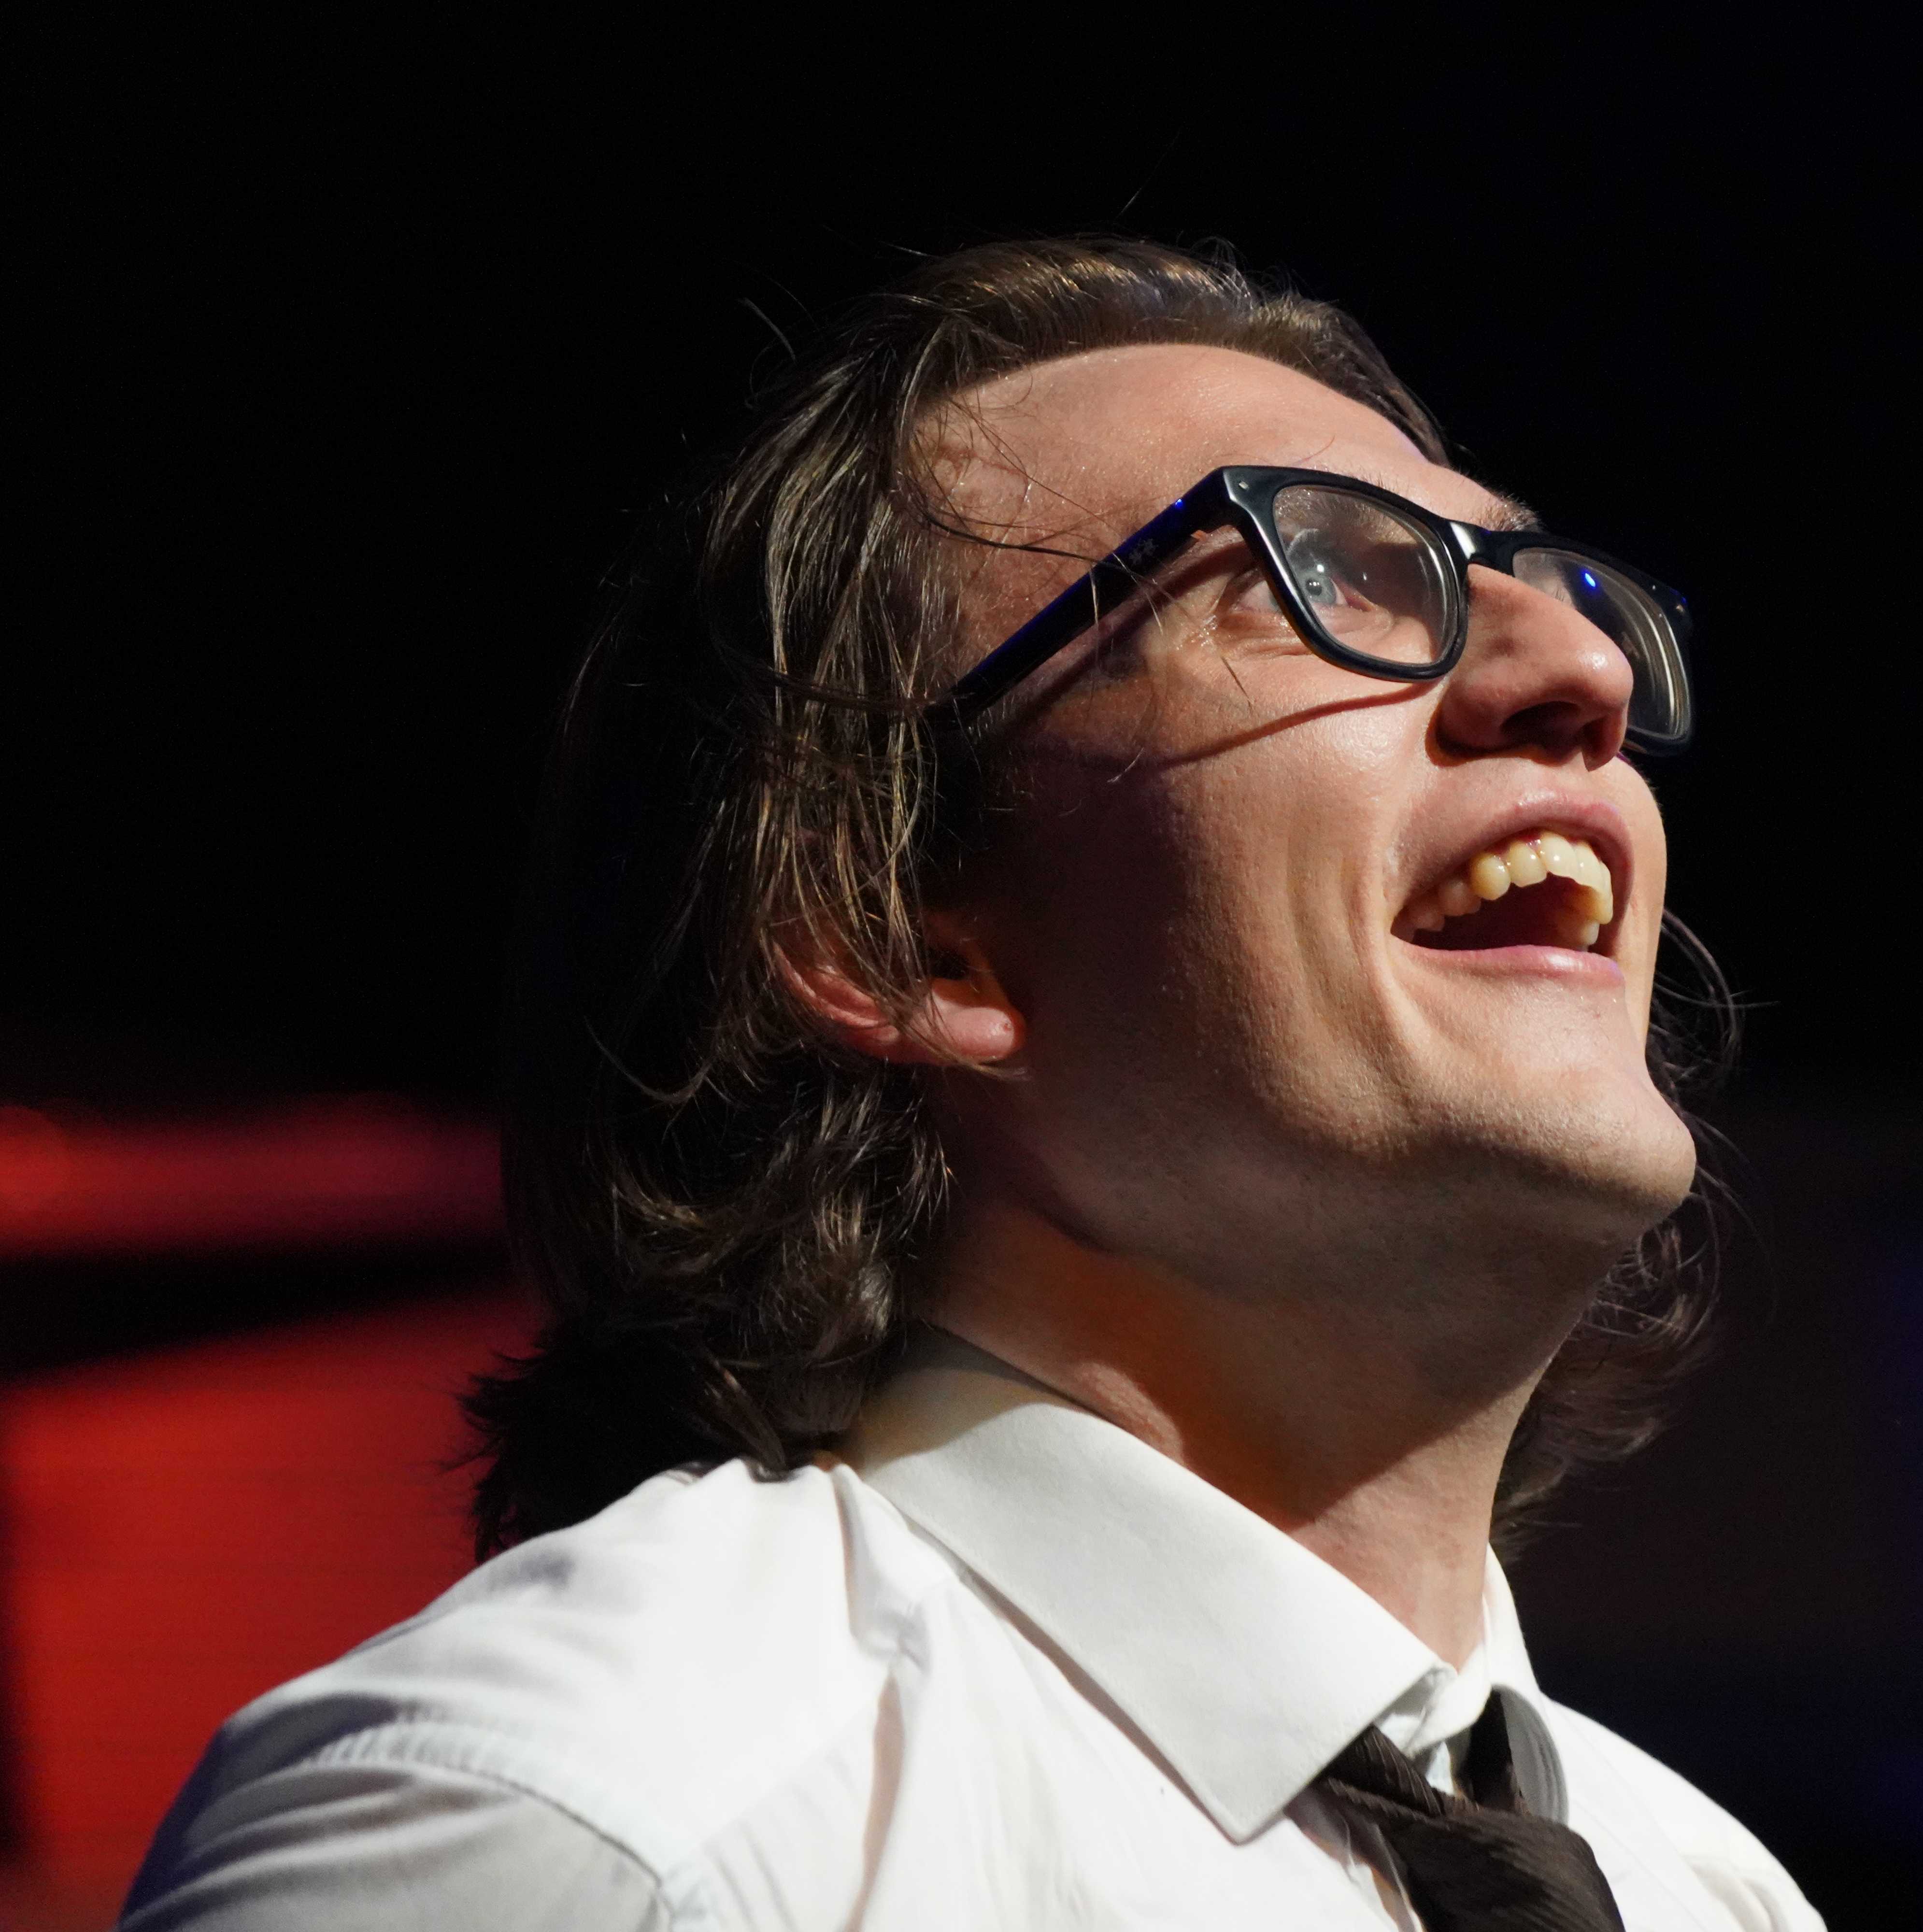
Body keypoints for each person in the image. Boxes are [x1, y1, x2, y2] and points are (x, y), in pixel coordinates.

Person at [122, 238, 1818, 1931]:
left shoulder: (1711, 1896)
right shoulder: (578, 1830)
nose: (1584, 676)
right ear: (900, 937)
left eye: (1551, 585)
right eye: (1323, 572)